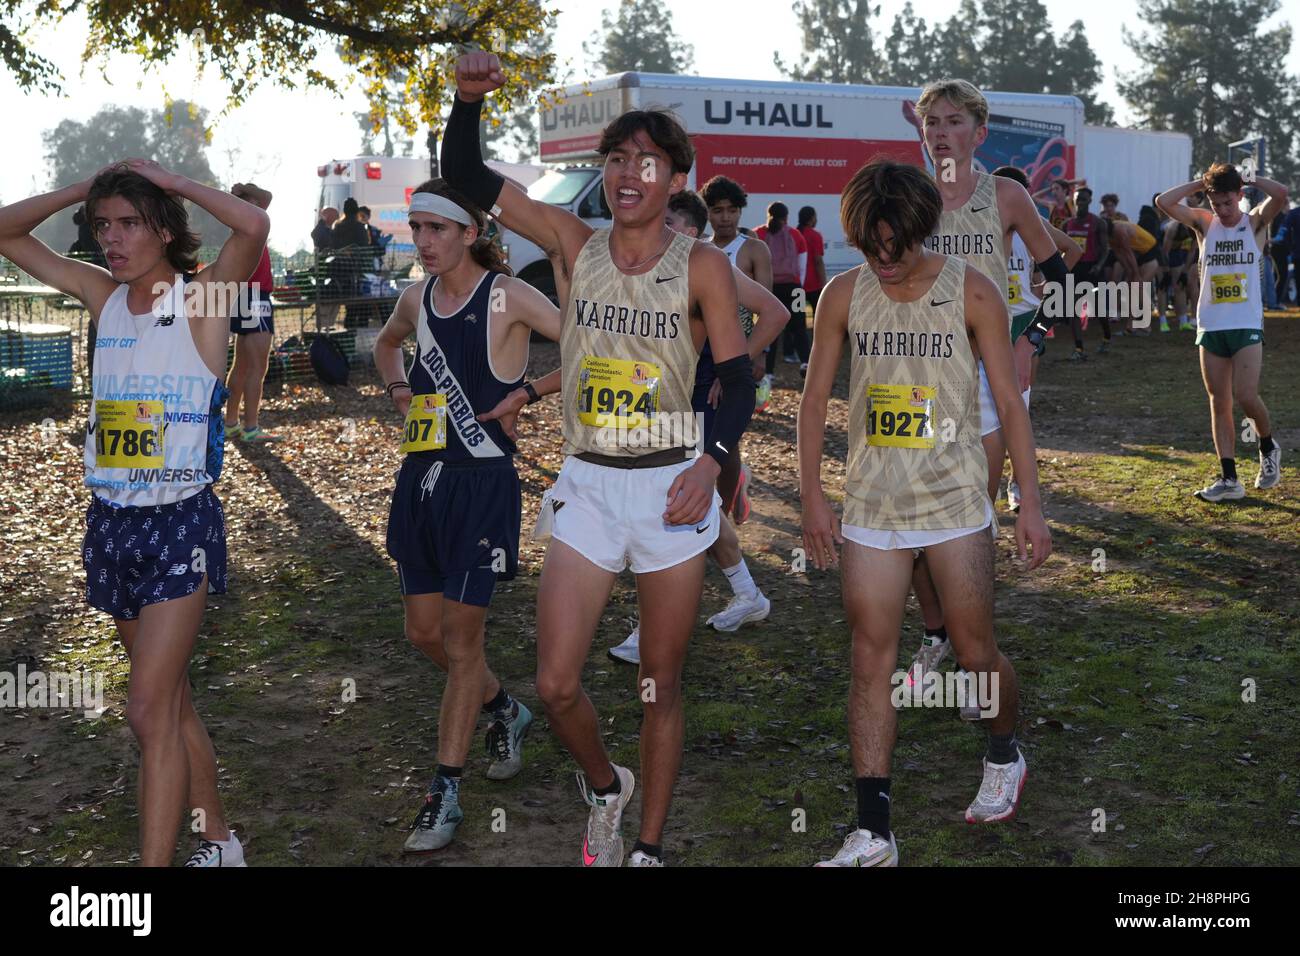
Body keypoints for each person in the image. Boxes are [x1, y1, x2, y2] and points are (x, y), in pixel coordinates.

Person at [443, 52, 754, 867]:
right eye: (615, 159)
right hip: (587, 482)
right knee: (554, 685)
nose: (628, 173)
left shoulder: (706, 268)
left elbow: (735, 377)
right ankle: (605, 787)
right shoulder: (569, 241)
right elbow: (465, 172)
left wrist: (713, 462)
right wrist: (466, 99)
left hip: (669, 490)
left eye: (646, 161)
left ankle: (647, 846)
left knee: (659, 683)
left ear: (677, 175)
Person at [0, 158, 270, 866]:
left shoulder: (204, 301)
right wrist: (83, 189)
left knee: (147, 710)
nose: (111, 240)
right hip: (112, 523)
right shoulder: (102, 295)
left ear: (165, 228)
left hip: (179, 520)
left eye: (128, 224)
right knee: (170, 704)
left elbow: (253, 224)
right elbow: (5, 231)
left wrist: (174, 182)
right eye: (101, 226)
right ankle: (219, 843)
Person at [799, 158, 1051, 866]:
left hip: (954, 501)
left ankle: (1005, 751)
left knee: (974, 654)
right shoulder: (842, 295)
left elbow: (1008, 403)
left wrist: (1029, 504)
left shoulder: (972, 292)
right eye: (870, 248)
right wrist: (812, 495)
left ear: (921, 231)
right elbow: (815, 399)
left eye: (896, 248)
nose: (884, 261)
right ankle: (873, 831)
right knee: (870, 658)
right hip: (873, 504)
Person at [373, 178, 558, 852]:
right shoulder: (416, 297)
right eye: (416, 228)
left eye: (436, 229)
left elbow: (592, 342)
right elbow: (387, 343)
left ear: (470, 232)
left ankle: (444, 793)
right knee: (423, 634)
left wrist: (528, 393)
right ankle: (505, 710)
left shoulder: (506, 295)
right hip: (420, 477)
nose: (422, 242)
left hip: (482, 485)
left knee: (459, 641)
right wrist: (397, 386)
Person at [908, 78, 1068, 687]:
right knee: (915, 515)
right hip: (920, 375)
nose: (941, 132)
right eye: (932, 123)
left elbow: (1059, 271)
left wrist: (1034, 337)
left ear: (978, 131)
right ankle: (934, 635)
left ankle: (977, 656)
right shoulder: (911, 196)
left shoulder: (1005, 195)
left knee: (971, 518)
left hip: (986, 373)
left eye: (953, 122)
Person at [607, 189, 787, 665]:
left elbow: (776, 312)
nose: (656, 227)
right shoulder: (646, 267)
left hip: (699, 400)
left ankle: (653, 626)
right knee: (697, 503)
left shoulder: (710, 267)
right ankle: (747, 593)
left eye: (668, 221)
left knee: (674, 502)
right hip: (656, 404)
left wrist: (737, 369)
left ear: (690, 230)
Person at [1157, 162, 1287, 501]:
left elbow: (1282, 194)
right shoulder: (1204, 223)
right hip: (1211, 324)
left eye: (1228, 203)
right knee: (1219, 402)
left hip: (1245, 324)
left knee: (1245, 395)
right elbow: (1164, 202)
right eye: (1216, 204)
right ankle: (1229, 479)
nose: (1223, 211)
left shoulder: (1254, 221)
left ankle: (1268, 445)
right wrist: (1198, 185)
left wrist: (1249, 176)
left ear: (1240, 196)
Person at [990, 165, 1082, 512]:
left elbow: (1071, 251)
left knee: (1019, 406)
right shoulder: (982, 222)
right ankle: (985, 482)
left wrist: (1039, 287)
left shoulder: (1034, 223)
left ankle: (1017, 482)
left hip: (1025, 321)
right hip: (990, 320)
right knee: (984, 408)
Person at [701, 176, 774, 411]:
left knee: (729, 428)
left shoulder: (754, 249)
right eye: (718, 210)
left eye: (732, 210)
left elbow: (768, 308)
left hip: (738, 350)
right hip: (702, 351)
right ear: (707, 212)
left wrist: (761, 354)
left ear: (740, 212)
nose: (725, 218)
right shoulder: (699, 247)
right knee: (703, 424)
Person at [224, 182, 279, 442]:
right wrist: (246, 189)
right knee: (258, 366)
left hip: (245, 294)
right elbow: (267, 195)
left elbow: (264, 197)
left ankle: (231, 421)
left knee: (242, 364)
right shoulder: (249, 220)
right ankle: (251, 427)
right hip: (255, 295)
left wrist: (242, 190)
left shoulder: (238, 220)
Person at [755, 202, 810, 374]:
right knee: (800, 325)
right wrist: (798, 285)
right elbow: (802, 267)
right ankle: (805, 361)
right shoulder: (796, 235)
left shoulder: (758, 234)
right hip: (795, 288)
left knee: (771, 328)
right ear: (786, 217)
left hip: (770, 288)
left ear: (768, 215)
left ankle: (769, 372)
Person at [1062, 187, 1110, 358]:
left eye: (1083, 199)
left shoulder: (1098, 223)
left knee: (1099, 309)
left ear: (1090, 201)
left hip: (1093, 269)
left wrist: (1099, 266)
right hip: (1075, 269)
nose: (1079, 203)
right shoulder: (1067, 224)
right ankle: (1079, 348)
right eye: (1077, 200)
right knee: (1073, 309)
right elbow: (1061, 248)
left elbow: (1105, 249)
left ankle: (1106, 337)